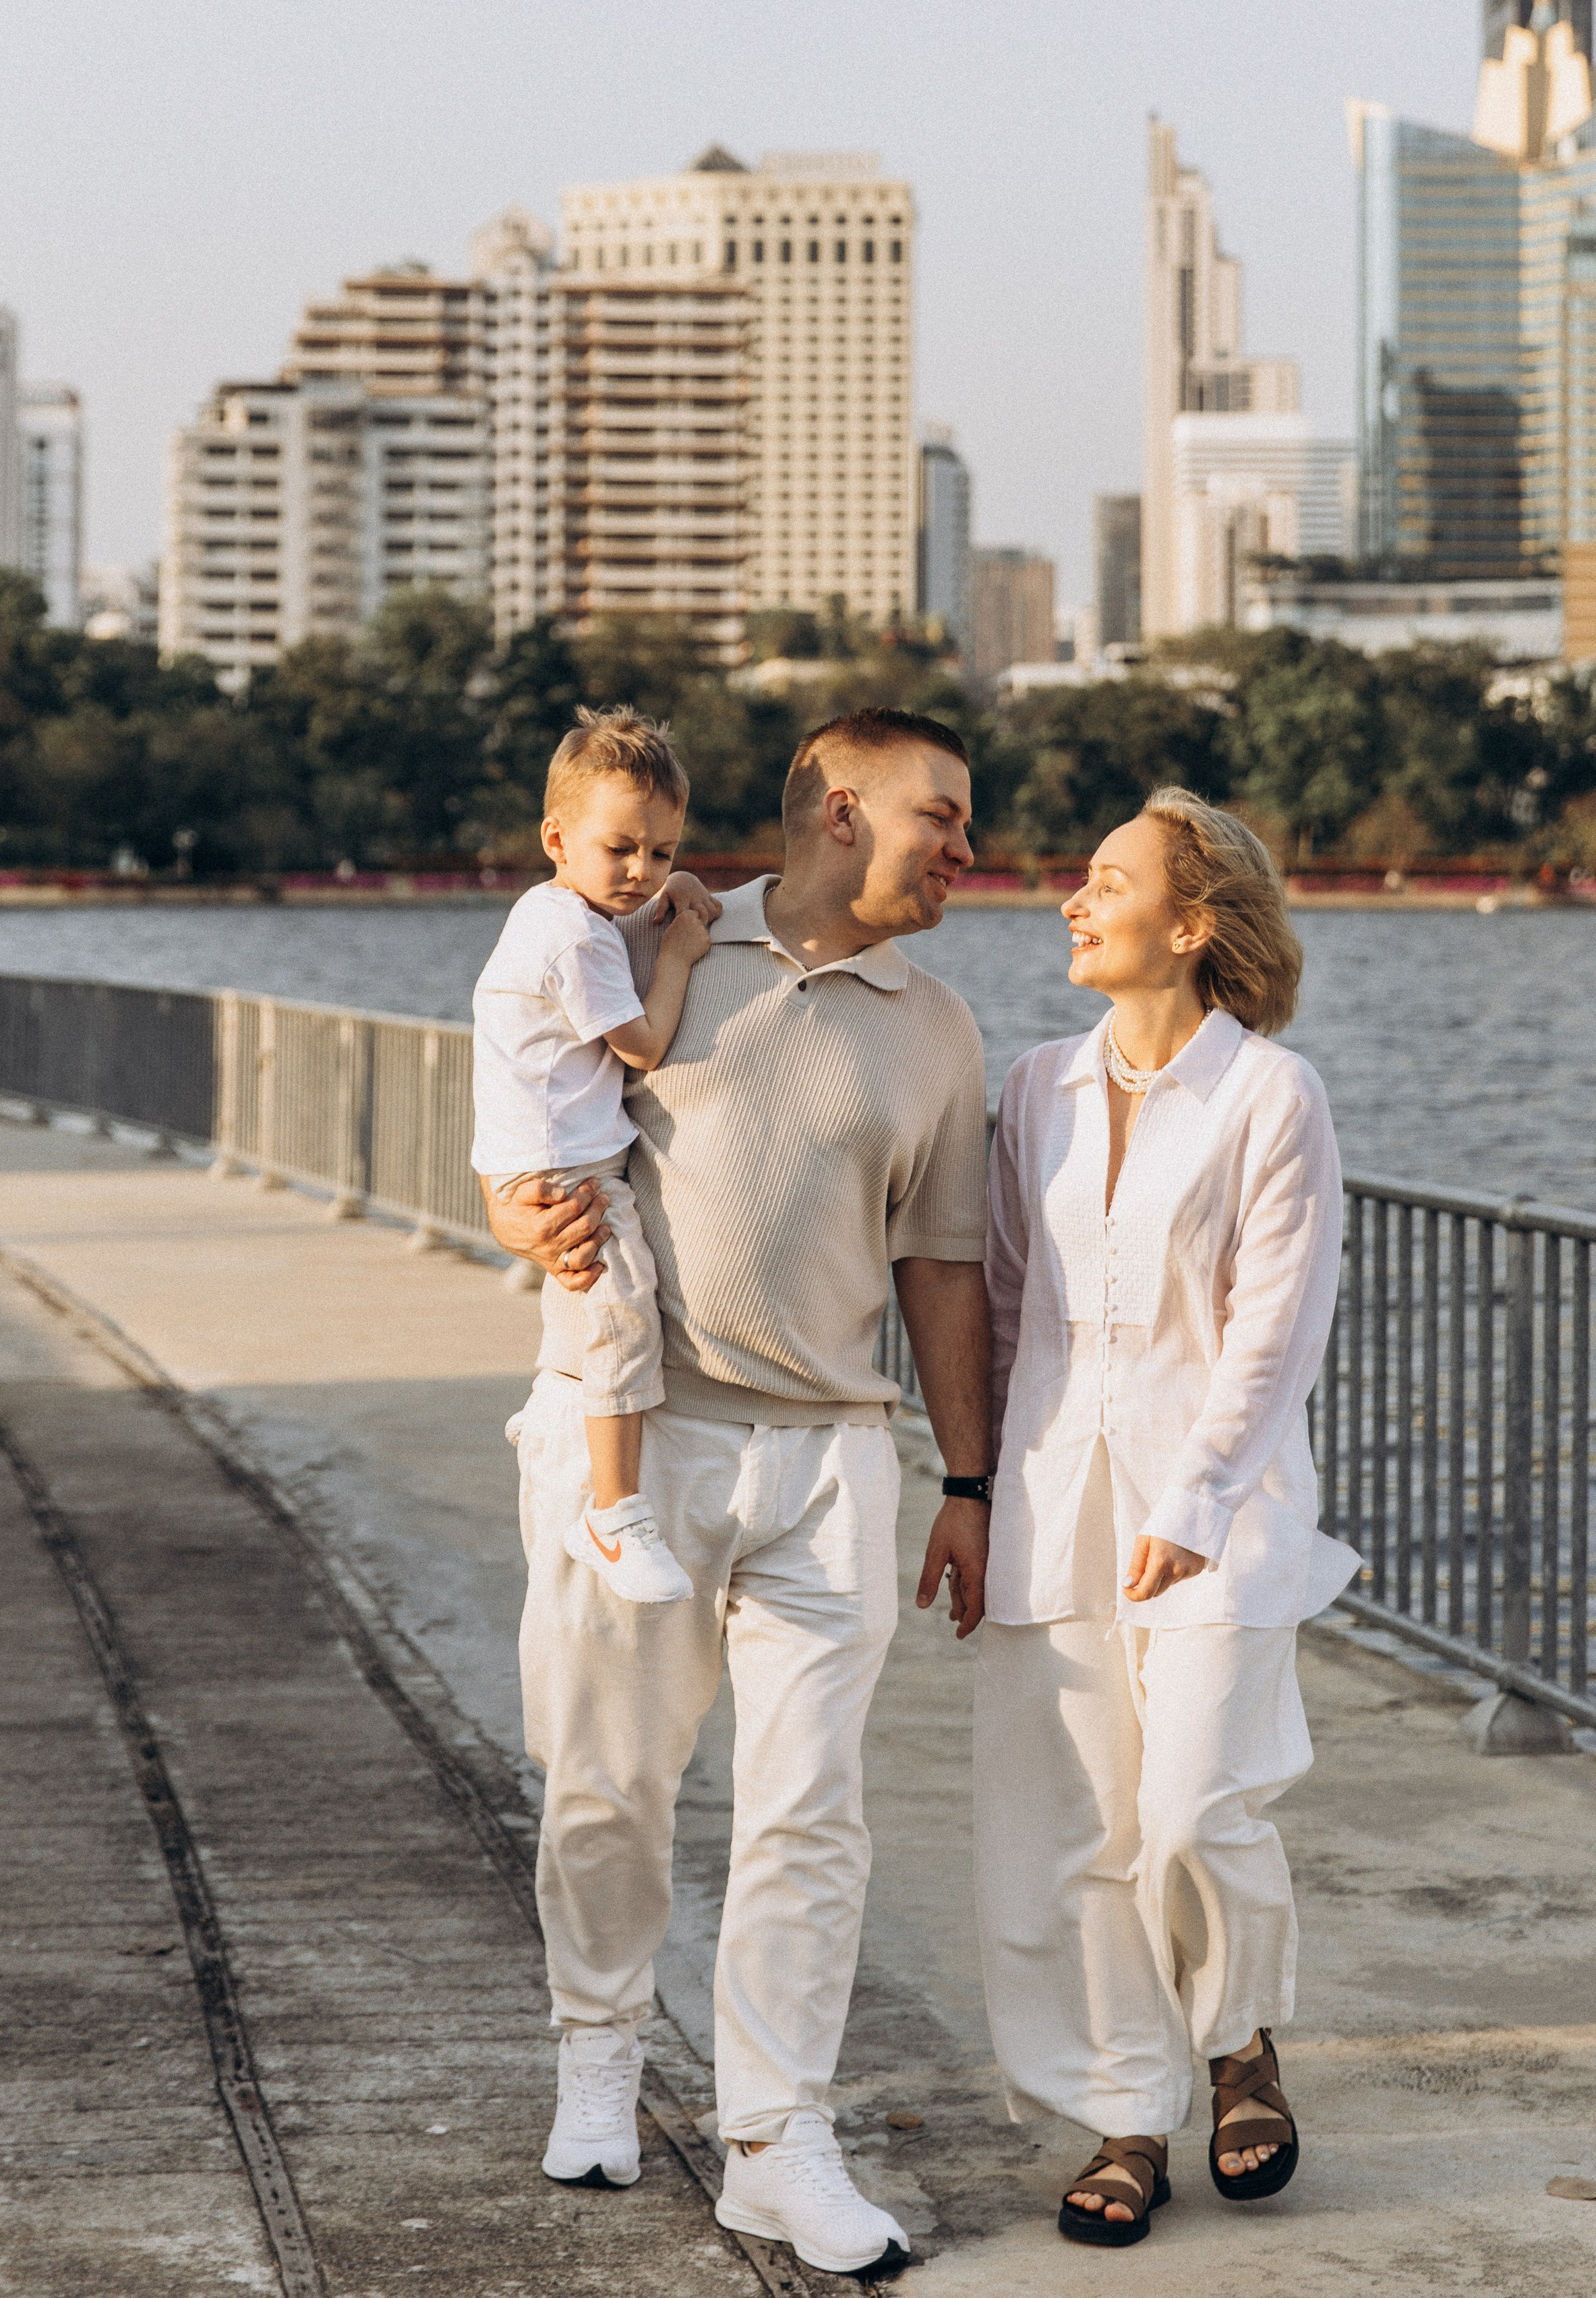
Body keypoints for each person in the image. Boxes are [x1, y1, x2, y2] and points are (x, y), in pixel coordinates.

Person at [483, 708, 993, 2281]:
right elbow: (520, 1134)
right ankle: (599, 2059)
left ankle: (778, 2142)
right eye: (943, 819)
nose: (967, 851)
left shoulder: (939, 1028)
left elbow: (944, 1268)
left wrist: (962, 1478)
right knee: (605, 1785)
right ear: (840, 813)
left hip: (832, 1460)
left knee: (808, 1816)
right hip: (629, 1431)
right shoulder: (631, 940)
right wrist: (516, 1220)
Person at [974, 786, 1357, 2249]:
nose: (1072, 902)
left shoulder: (1271, 1093)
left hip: (1223, 1506)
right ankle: (1125, 2112)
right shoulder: (1032, 1087)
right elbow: (1011, 1304)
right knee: (1073, 1830)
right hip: (1052, 1495)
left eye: (1105, 881)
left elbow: (1276, 1327)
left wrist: (1194, 1499)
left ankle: (1239, 2037)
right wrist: (975, 1496)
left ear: (1187, 927)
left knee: (1193, 1804)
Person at [472, 706, 719, 1604]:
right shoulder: (576, 937)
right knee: (621, 1315)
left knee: (603, 1316)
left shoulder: (556, 911)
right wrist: (686, 949)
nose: (641, 873)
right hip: (565, 1171)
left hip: (542, 1154)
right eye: (622, 850)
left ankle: (590, 1479)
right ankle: (613, 1512)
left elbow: (634, 925)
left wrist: (670, 890)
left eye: (661, 851)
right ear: (556, 838)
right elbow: (645, 1044)